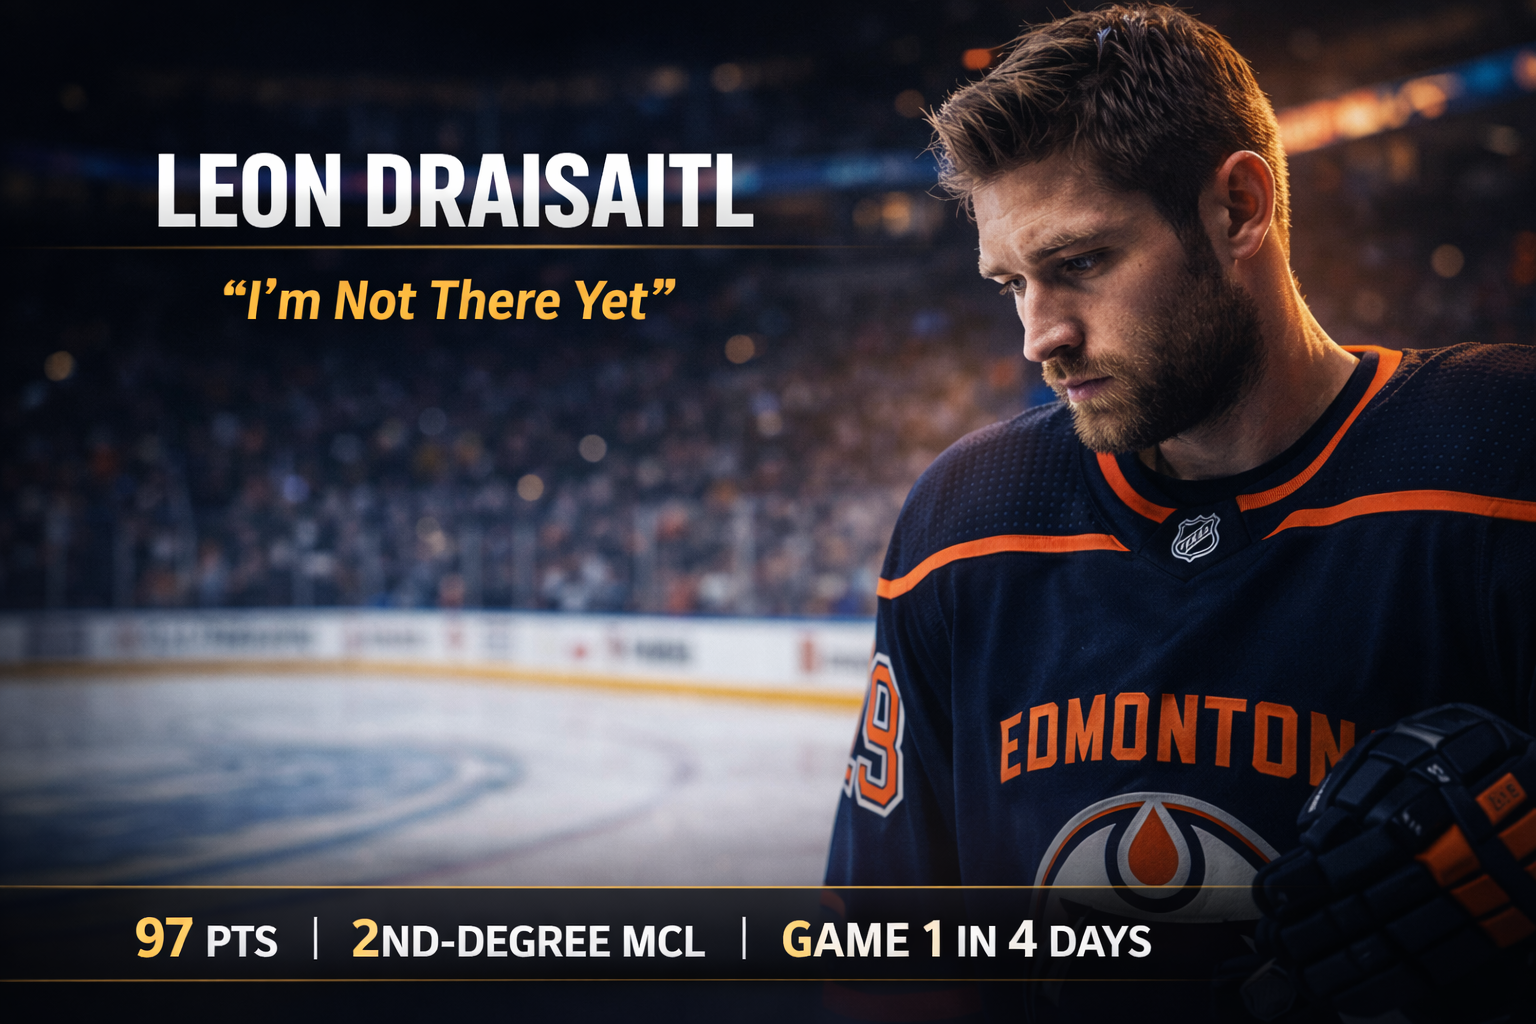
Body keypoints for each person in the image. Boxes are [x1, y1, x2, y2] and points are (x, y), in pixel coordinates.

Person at [823, 4, 1536, 1021]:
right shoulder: (966, 522)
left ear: (1238, 209)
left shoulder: (1501, 458)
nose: (1040, 336)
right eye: (1009, 284)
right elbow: (888, 960)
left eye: (1079, 264)